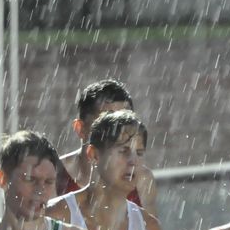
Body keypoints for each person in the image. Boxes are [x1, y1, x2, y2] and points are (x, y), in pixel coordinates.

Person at [56, 79, 156, 213]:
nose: (119, 132)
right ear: (80, 129)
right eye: (107, 122)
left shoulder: (141, 179)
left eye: (125, 122)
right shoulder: (54, 175)